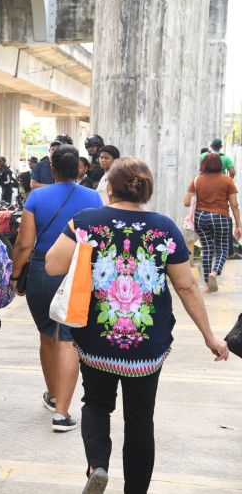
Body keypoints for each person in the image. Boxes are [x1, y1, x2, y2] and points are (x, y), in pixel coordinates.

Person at [45, 157, 229, 494]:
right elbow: (186, 285)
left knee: (97, 404)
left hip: (97, 340)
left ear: (110, 187)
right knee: (140, 419)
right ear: (146, 190)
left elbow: (53, 265)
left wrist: (85, 245)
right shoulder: (164, 227)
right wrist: (209, 336)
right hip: (147, 345)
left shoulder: (86, 222)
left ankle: (98, 465)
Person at [11, 144, 102, 432]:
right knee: (69, 339)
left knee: (47, 334)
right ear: (78, 168)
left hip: (42, 270)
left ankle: (52, 396)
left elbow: (24, 244)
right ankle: (61, 412)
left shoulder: (37, 196)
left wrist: (15, 276)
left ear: (51, 169)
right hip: (78, 271)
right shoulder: (93, 197)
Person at [183, 153, 242, 292]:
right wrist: (238, 225)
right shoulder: (227, 181)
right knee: (222, 248)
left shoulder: (197, 180)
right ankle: (214, 273)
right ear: (220, 165)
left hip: (201, 217)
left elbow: (186, 202)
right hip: (221, 217)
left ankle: (207, 283)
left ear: (204, 165)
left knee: (207, 247)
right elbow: (234, 205)